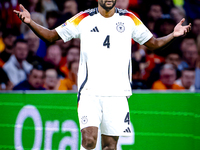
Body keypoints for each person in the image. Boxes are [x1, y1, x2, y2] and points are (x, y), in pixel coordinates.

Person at [14, 1, 191, 149]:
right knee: (89, 141)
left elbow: (153, 43)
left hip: (117, 95)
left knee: (110, 146)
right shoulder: (84, 18)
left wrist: (173, 35)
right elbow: (51, 36)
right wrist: (30, 22)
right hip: (89, 92)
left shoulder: (129, 19)